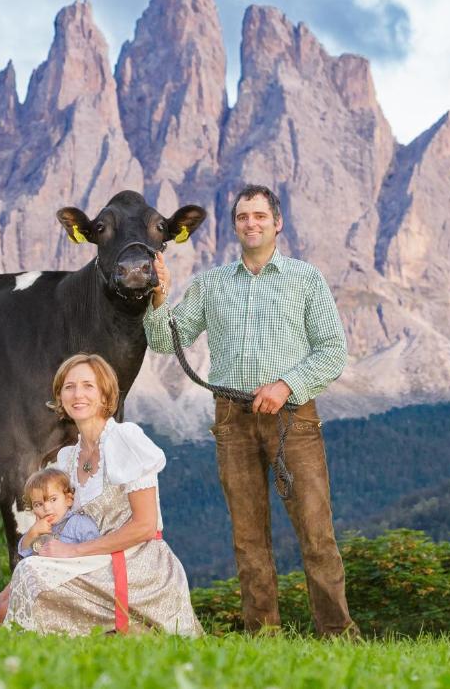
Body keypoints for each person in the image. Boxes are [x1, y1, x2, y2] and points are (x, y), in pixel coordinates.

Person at [144, 183, 358, 637]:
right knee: (248, 537)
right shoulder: (210, 284)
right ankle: (264, 636)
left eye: (260, 216)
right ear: (235, 225)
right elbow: (166, 341)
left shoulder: (305, 278)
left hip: (293, 419)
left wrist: (286, 385)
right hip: (232, 420)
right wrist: (159, 298)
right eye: (243, 217)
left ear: (277, 223)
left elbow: (332, 351)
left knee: (316, 533)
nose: (251, 223)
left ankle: (338, 634)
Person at [0, 353, 202, 636]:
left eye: (88, 385)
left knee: (31, 577)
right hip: (91, 562)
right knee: (21, 584)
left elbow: (145, 526)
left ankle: (124, 630)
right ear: (60, 397)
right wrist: (5, 595)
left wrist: (72, 552)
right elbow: (57, 537)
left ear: (104, 394)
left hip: (139, 566)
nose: (78, 394)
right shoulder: (67, 460)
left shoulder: (126, 440)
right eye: (69, 387)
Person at [17, 467, 99, 557]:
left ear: (68, 500)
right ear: (33, 510)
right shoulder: (39, 529)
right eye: (38, 504)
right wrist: (33, 532)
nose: (46, 508)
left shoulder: (79, 523)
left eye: (53, 499)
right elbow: (25, 554)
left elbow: (95, 550)